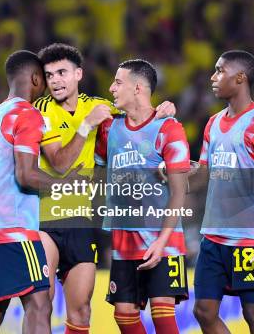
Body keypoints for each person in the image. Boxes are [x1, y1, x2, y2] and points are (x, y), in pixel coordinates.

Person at [33, 43, 175, 334]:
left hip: (82, 221)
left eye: (62, 72)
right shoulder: (41, 110)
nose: (56, 80)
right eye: (49, 75)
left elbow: (139, 122)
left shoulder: (101, 106)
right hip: (43, 220)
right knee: (41, 304)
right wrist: (85, 126)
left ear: (78, 74)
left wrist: (163, 110)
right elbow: (59, 164)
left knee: (82, 309)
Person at [193, 50, 254, 334]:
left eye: (220, 71)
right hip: (213, 236)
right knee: (203, 312)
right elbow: (204, 173)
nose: (213, 77)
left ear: (240, 78)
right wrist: (172, 172)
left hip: (250, 240)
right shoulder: (212, 123)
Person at [96, 59, 190, 334]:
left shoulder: (168, 128)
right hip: (125, 238)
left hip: (164, 238)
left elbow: (178, 190)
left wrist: (162, 243)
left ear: (138, 88)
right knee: (124, 315)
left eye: (118, 82)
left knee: (162, 312)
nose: (111, 87)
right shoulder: (108, 129)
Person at [0, 50, 57, 333]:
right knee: (39, 303)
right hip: (13, 227)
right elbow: (26, 174)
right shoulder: (27, 114)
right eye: (45, 78)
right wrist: (66, 186)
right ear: (34, 78)